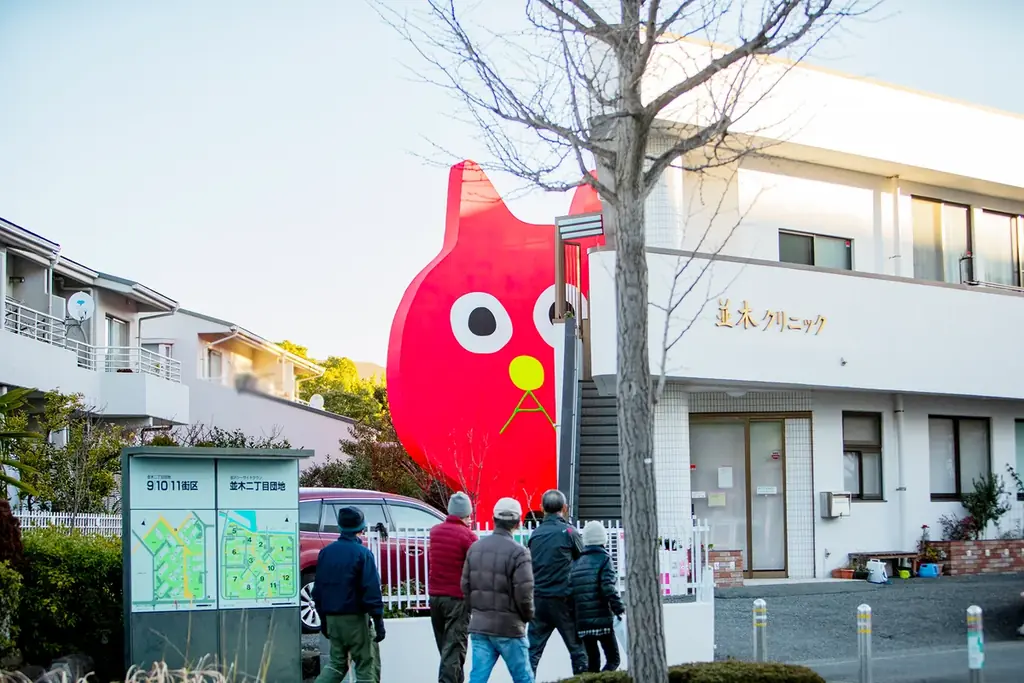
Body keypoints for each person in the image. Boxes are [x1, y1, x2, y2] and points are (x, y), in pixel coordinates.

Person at [461, 497, 535, 683]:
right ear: (518, 523)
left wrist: (476, 611)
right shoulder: (519, 553)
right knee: (524, 678)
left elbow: (465, 586)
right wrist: (527, 617)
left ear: (493, 519)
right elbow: (524, 594)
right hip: (509, 627)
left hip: (480, 625)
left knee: (477, 678)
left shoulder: (475, 548)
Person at [313, 506, 387, 683]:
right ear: (361, 528)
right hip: (356, 620)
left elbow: (318, 590)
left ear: (339, 526)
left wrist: (324, 620)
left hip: (332, 619)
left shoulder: (325, 553)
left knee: (336, 664)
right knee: (366, 664)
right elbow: (372, 590)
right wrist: (378, 621)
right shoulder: (363, 554)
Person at [526, 489, 587, 676]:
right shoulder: (569, 532)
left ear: (541, 508)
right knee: (577, 651)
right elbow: (583, 562)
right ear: (564, 508)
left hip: (539, 600)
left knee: (532, 653)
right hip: (564, 600)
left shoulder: (535, 535)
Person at [428, 491, 478, 683]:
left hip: (435, 598)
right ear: (465, 513)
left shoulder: (435, 531)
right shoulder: (468, 536)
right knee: (454, 650)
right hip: (457, 599)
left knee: (446, 650)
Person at [570, 521, 625, 672]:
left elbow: (571, 592)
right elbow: (608, 588)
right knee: (613, 659)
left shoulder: (577, 563)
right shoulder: (605, 559)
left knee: (593, 663)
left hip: (582, 623)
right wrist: (619, 608)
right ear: (603, 539)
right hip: (602, 621)